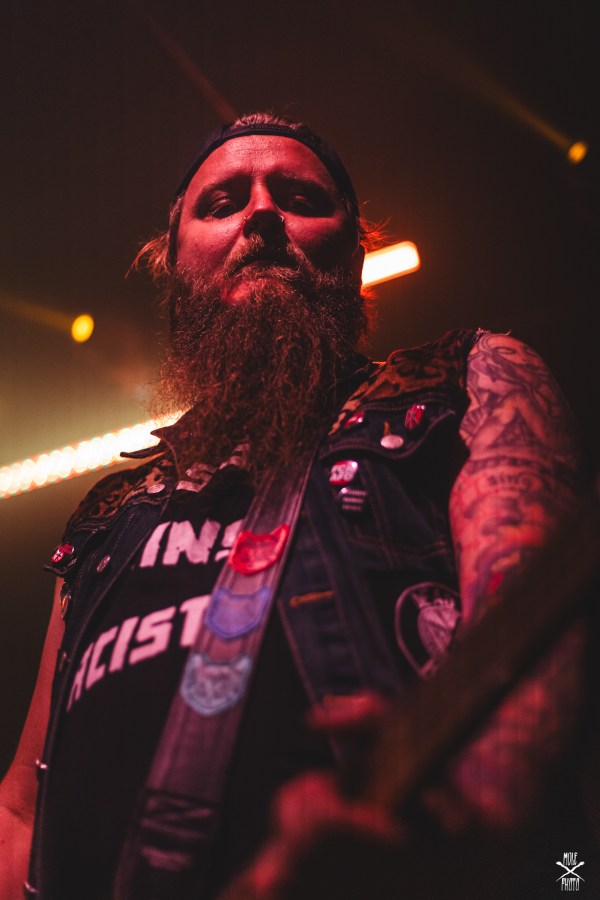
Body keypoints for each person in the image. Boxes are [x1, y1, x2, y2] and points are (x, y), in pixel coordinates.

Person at [0, 112, 587, 900]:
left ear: (354, 254)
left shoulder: (464, 379)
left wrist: (477, 812)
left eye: (301, 198)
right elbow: (20, 814)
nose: (263, 214)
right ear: (174, 266)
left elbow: (529, 622)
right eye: (222, 203)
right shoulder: (108, 513)